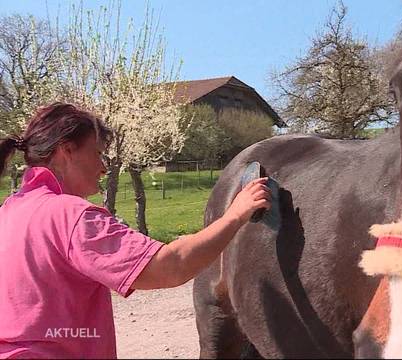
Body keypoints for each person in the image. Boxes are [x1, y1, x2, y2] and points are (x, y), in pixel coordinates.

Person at [0, 103, 271, 359]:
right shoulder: (70, 215)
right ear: (66, 150)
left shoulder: (10, 210)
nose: (103, 167)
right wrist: (237, 214)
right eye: (97, 153)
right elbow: (170, 266)